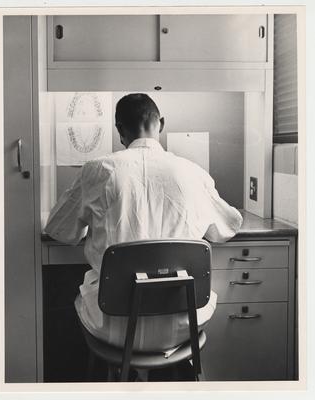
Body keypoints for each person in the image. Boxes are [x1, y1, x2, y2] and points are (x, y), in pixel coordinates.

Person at [45, 93, 243, 356]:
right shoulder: (192, 172)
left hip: (113, 325)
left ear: (119, 130)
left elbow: (59, 229)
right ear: (161, 123)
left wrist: (89, 224)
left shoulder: (97, 171)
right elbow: (227, 227)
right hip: (184, 322)